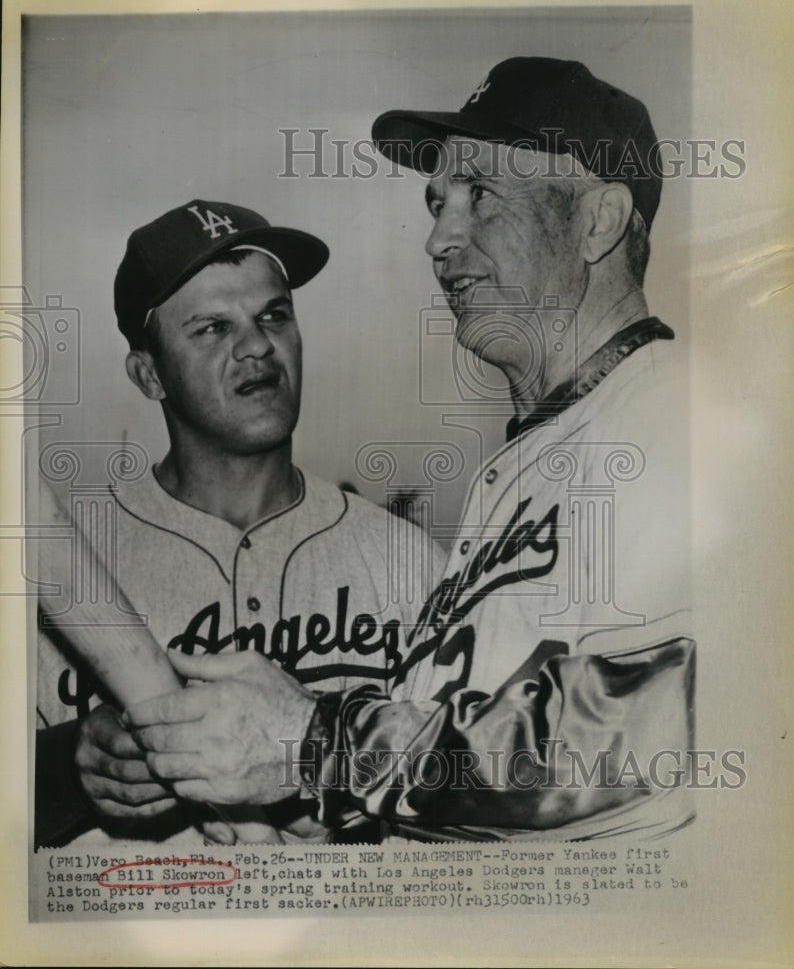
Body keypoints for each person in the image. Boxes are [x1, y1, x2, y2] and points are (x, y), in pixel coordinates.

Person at [126, 60, 695, 842]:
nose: (437, 238)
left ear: (598, 222)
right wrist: (335, 827)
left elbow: (629, 754)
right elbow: (470, 795)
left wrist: (311, 744)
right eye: (437, 203)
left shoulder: (681, 420)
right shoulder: (521, 471)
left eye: (481, 195)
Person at [35, 199, 444, 847]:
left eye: (273, 315)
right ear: (148, 374)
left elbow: (479, 794)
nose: (257, 345)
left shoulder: (407, 561)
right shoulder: (60, 556)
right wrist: (64, 767)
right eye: (212, 328)